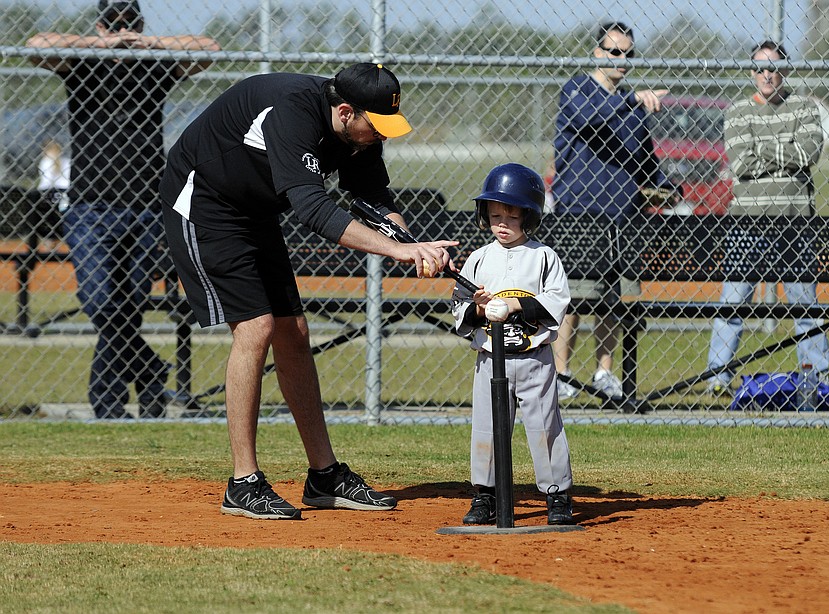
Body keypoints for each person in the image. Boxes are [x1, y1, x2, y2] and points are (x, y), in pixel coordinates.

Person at [159, 62, 457, 520]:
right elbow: (314, 211)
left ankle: (324, 476)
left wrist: (413, 245)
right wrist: (399, 253)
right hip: (205, 203)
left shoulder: (359, 134)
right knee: (256, 328)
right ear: (343, 112)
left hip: (255, 210)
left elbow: (376, 200)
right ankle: (243, 482)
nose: (381, 136)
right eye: (374, 126)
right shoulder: (293, 112)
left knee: (293, 332)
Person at [26, 1, 220, 419]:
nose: (122, 31)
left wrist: (147, 42)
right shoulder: (82, 65)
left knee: (129, 305)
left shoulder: (152, 65)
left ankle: (110, 405)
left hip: (148, 205)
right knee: (99, 300)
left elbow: (209, 48)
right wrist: (99, 43)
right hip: (90, 207)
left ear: (140, 24)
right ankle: (150, 369)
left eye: (128, 23)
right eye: (113, 23)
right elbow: (36, 43)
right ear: (99, 25)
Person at [550, 21, 678, 401]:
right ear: (598, 52)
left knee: (611, 298)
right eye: (614, 52)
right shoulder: (578, 89)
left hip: (623, 216)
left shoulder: (632, 106)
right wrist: (633, 99)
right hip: (580, 212)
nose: (622, 60)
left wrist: (667, 188)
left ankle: (604, 373)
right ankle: (561, 374)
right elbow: (590, 119)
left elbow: (646, 163)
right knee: (572, 297)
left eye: (628, 54)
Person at [450, 163, 574, 526]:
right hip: (490, 359)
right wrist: (478, 307)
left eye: (511, 216)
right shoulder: (478, 259)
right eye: (495, 215)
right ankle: (485, 497)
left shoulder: (543, 257)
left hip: (534, 359)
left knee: (544, 427)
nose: (502, 223)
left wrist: (517, 305)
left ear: (530, 217)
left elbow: (557, 302)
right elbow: (459, 310)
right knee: (487, 428)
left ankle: (557, 497)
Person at [706, 41, 829, 395]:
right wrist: (784, 151)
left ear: (784, 70)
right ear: (751, 72)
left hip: (794, 221)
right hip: (749, 221)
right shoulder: (737, 111)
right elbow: (740, 162)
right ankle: (717, 378)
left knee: (805, 303)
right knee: (733, 301)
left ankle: (815, 377)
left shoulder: (804, 107)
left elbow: (809, 152)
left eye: (773, 67)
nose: (766, 74)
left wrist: (761, 148)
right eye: (759, 68)